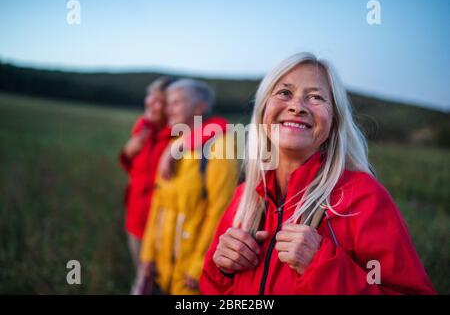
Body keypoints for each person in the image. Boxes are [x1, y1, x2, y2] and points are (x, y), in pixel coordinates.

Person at [200, 52, 436, 295]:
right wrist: (223, 269)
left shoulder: (364, 197)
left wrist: (322, 267)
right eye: (284, 93)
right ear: (263, 111)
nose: (296, 106)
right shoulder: (244, 197)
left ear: (334, 122)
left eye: (315, 97)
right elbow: (211, 289)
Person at [138, 79, 239, 294]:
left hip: (190, 274)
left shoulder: (220, 147)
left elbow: (220, 213)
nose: (168, 109)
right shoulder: (173, 144)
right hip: (162, 268)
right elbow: (158, 205)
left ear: (199, 107)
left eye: (176, 102)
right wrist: (147, 255)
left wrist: (200, 265)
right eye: (167, 103)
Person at [119, 77, 175, 268]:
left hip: (161, 230)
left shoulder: (180, 134)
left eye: (159, 100)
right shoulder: (143, 126)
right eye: (150, 96)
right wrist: (128, 151)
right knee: (141, 277)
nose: (150, 102)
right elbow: (135, 170)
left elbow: (219, 125)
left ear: (172, 107)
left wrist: (183, 144)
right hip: (135, 220)